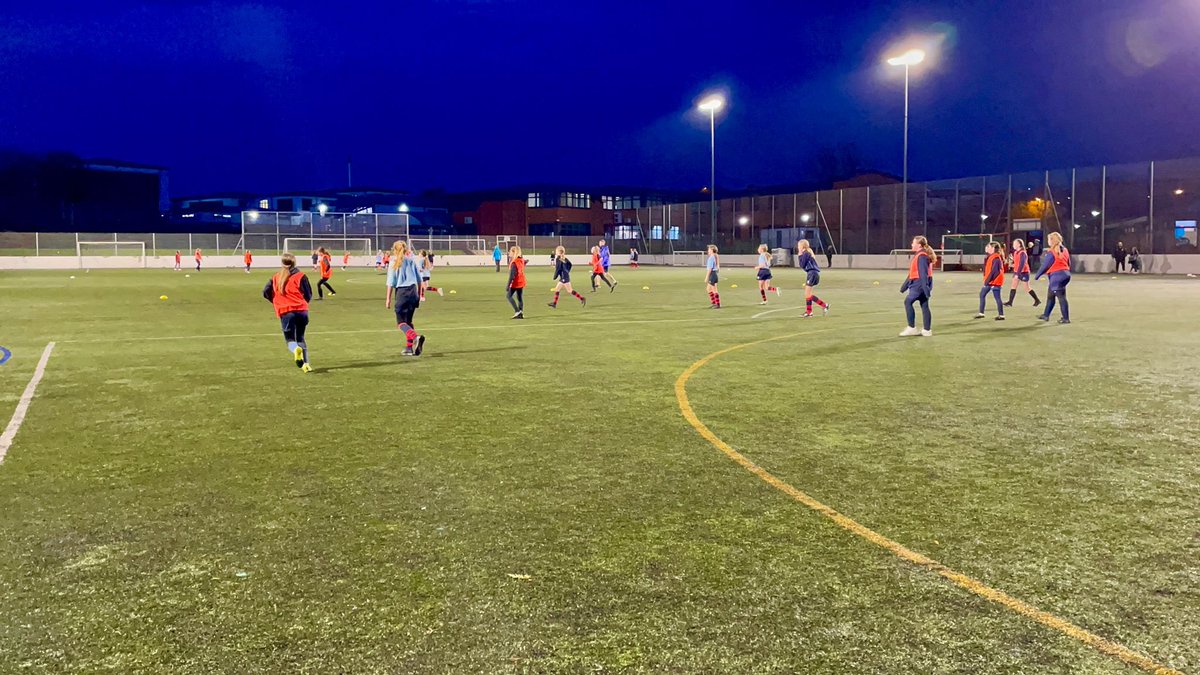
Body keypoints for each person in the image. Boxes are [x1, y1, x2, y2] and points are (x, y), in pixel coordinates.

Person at [261, 252, 313, 373]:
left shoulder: (276, 277)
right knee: (300, 337)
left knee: (290, 340)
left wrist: (276, 301)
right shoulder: (301, 276)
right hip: (302, 310)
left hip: (286, 311)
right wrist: (302, 303)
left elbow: (265, 292)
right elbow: (308, 294)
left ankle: (295, 350)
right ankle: (306, 364)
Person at [384, 240, 426, 356]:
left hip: (402, 293)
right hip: (413, 291)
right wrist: (419, 295)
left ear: (394, 250)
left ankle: (415, 337)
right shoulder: (411, 261)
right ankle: (409, 348)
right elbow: (419, 280)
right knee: (408, 321)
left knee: (401, 322)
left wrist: (388, 299)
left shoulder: (393, 263)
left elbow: (390, 283)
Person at [899, 236, 936, 337]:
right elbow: (913, 272)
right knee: (924, 305)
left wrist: (925, 287)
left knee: (908, 302)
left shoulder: (922, 256)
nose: (912, 244)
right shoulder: (921, 255)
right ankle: (927, 330)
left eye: (913, 243)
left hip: (918, 284)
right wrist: (904, 286)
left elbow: (923, 273)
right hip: (921, 284)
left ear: (919, 245)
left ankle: (911, 328)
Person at [1035, 231, 1071, 324]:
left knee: (1061, 297)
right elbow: (1068, 263)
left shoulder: (1052, 252)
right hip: (1065, 274)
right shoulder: (1065, 250)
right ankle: (1045, 315)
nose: (1048, 241)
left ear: (1052, 240)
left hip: (1057, 276)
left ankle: (1066, 318)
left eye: (1049, 239)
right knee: (1051, 296)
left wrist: (1037, 275)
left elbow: (1045, 265)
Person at [796, 239, 829, 317]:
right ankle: (810, 311)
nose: (798, 247)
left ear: (802, 246)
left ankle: (823, 305)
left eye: (799, 246)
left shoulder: (806, 253)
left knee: (807, 294)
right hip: (812, 273)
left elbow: (802, 265)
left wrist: (799, 255)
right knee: (808, 294)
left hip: (812, 273)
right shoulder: (806, 253)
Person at [1003, 238, 1040, 308]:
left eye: (1015, 243)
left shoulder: (1022, 253)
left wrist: (1017, 274)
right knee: (1013, 286)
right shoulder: (1015, 252)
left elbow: (1022, 264)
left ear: (1019, 244)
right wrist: (1011, 264)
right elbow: (1017, 263)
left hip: (1024, 272)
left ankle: (1037, 300)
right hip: (1017, 271)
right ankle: (1010, 302)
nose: (1013, 245)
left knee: (1027, 288)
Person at [974, 241, 1006, 321]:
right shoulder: (991, 256)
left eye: (988, 246)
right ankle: (981, 313)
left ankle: (1001, 315)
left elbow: (995, 271)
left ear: (993, 248)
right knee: (982, 294)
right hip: (991, 281)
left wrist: (987, 281)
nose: (986, 248)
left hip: (995, 281)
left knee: (997, 297)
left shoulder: (996, 257)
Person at [506, 245, 526, 319]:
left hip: (516, 282)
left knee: (508, 296)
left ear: (514, 252)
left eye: (510, 251)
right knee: (519, 297)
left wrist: (508, 285)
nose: (509, 253)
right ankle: (521, 313)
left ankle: (517, 311)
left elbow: (512, 276)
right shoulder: (520, 260)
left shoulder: (514, 262)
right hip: (521, 281)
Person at [705, 244, 721, 309]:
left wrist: (707, 277)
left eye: (709, 249)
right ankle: (714, 303)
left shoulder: (711, 257)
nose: (708, 250)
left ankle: (717, 304)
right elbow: (717, 266)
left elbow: (710, 269)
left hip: (712, 274)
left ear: (712, 250)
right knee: (708, 289)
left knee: (714, 290)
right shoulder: (714, 256)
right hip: (714, 274)